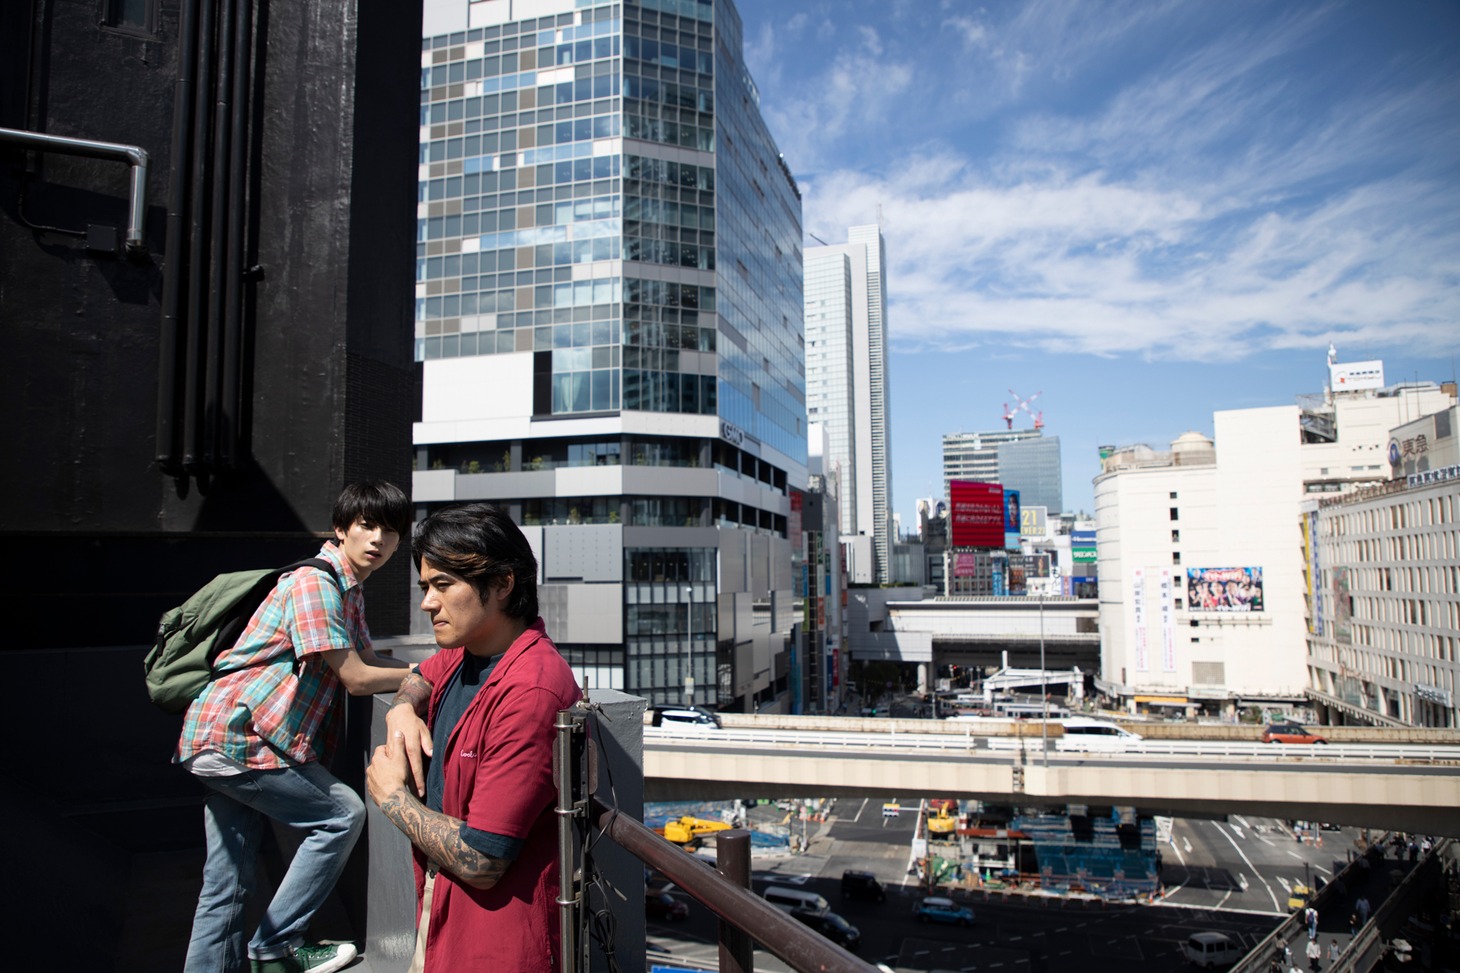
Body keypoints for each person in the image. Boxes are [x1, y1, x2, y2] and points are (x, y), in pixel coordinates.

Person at [178, 480, 416, 973]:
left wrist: (419, 666)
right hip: (239, 738)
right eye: (366, 526)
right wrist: (422, 675)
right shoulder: (316, 584)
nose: (378, 539)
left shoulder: (348, 589)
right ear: (340, 529)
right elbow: (355, 677)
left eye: (390, 531)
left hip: (227, 738)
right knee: (342, 814)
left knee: (227, 883)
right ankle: (275, 947)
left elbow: (369, 657)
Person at [367, 503, 583, 972]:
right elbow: (422, 674)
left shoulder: (530, 690)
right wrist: (404, 706)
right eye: (426, 586)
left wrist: (392, 797)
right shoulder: (473, 651)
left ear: (503, 584)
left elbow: (484, 859)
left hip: (497, 942)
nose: (427, 602)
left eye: (444, 585)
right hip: (443, 914)